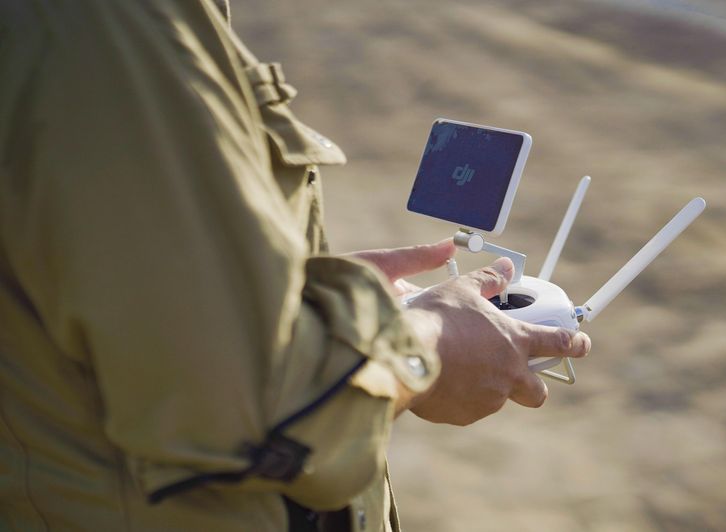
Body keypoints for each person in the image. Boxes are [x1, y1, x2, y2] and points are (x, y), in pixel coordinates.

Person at [0, 1, 590, 530]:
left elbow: (125, 284)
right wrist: (429, 345)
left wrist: (285, 288)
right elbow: (238, 400)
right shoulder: (112, 26)